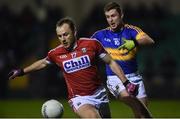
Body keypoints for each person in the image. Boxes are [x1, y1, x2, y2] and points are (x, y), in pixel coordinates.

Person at [8, 17, 149, 118]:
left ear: (74, 32)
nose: (62, 39)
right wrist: (21, 71)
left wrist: (125, 82)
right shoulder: (56, 53)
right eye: (59, 36)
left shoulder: (92, 44)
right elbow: (43, 62)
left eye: (65, 34)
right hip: (79, 98)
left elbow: (111, 62)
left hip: (100, 94)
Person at [91, 1, 154, 117]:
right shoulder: (100, 35)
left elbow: (149, 40)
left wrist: (134, 42)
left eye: (113, 16)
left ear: (121, 15)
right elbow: (85, 47)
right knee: (131, 99)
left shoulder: (131, 30)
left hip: (135, 77)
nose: (111, 20)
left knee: (142, 115)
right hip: (115, 79)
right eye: (108, 17)